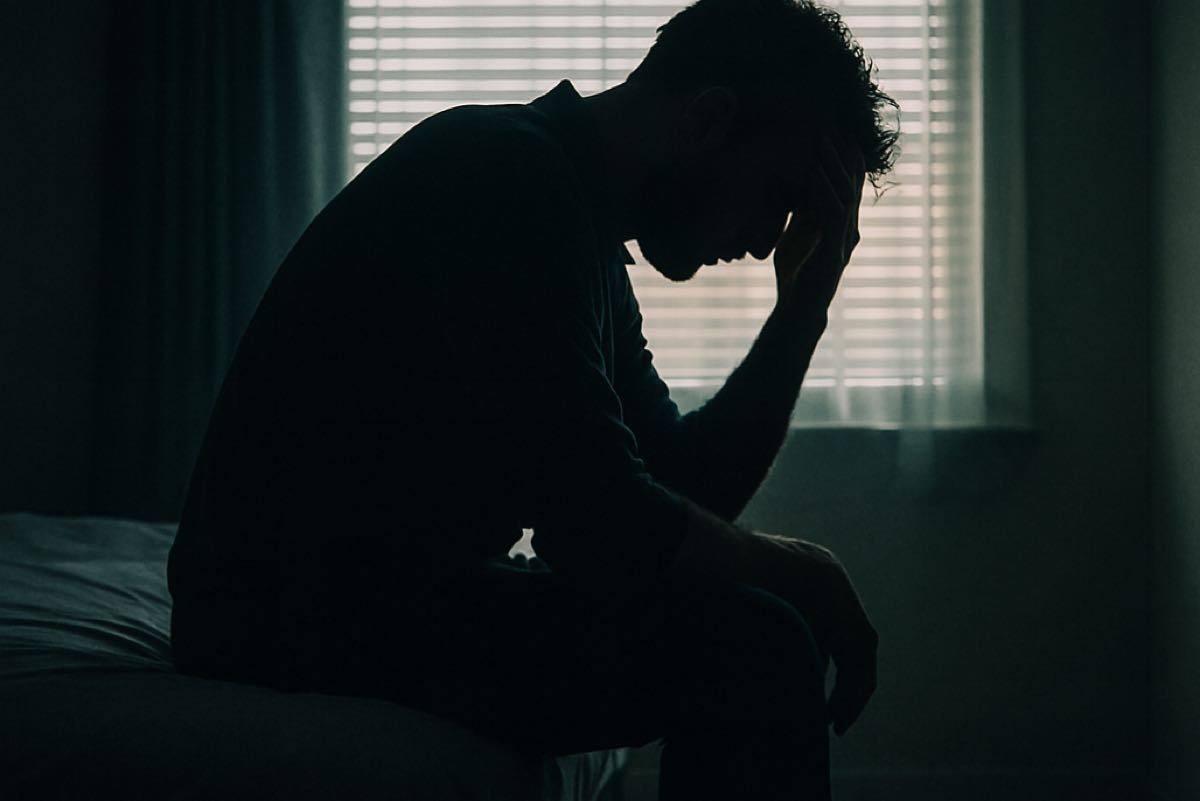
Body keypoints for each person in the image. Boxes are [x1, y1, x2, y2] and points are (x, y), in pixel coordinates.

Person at [167, 0, 898, 797]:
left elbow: (680, 490)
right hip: (285, 617)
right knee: (757, 645)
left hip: (376, 599)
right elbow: (605, 532)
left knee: (757, 624)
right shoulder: (507, 177)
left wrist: (803, 308)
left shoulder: (574, 219)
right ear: (706, 119)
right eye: (776, 196)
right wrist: (800, 569)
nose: (764, 243)